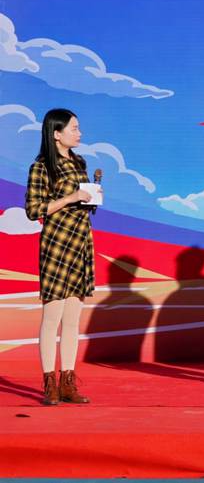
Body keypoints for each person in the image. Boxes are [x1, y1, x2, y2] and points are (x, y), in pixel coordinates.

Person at [25, 109, 98, 405]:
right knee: (52, 316)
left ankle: (68, 382)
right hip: (57, 244)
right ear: (56, 133)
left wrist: (91, 198)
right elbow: (33, 210)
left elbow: (79, 204)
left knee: (72, 318)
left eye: (79, 128)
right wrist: (70, 198)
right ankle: (49, 383)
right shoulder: (42, 167)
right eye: (74, 128)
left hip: (81, 241)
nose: (79, 133)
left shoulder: (80, 163)